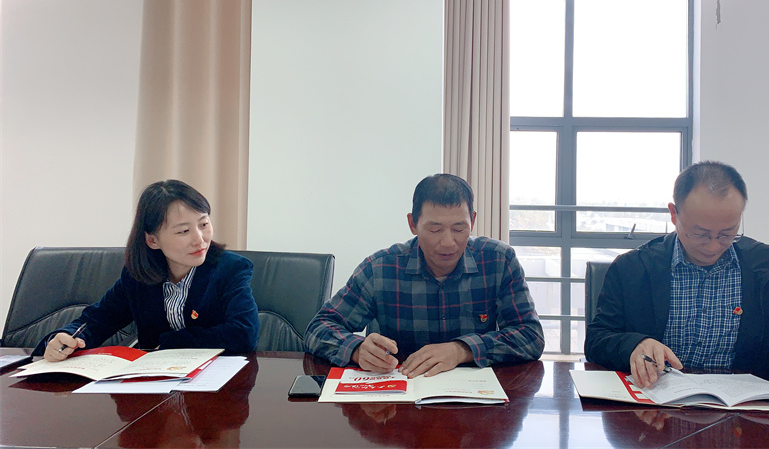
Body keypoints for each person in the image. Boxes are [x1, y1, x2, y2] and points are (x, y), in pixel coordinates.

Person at [584, 161, 769, 402]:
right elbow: (597, 340)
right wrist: (635, 344)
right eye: (700, 233)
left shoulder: (768, 268)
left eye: (727, 234)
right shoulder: (633, 269)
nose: (713, 246)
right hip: (655, 408)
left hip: (744, 409)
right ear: (674, 214)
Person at [305, 173, 544, 378]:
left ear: (472, 221)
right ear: (413, 224)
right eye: (434, 229)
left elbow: (531, 336)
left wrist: (462, 350)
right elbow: (318, 328)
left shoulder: (498, 260)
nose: (448, 242)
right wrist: (357, 349)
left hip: (474, 402)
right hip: (399, 400)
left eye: (459, 228)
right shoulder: (381, 269)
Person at [35, 180, 259, 361]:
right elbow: (99, 319)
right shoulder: (138, 275)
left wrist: (169, 342)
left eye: (203, 224)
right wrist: (65, 338)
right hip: (153, 387)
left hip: (217, 387)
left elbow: (244, 333)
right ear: (152, 240)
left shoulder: (231, 269)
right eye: (183, 231)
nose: (199, 239)